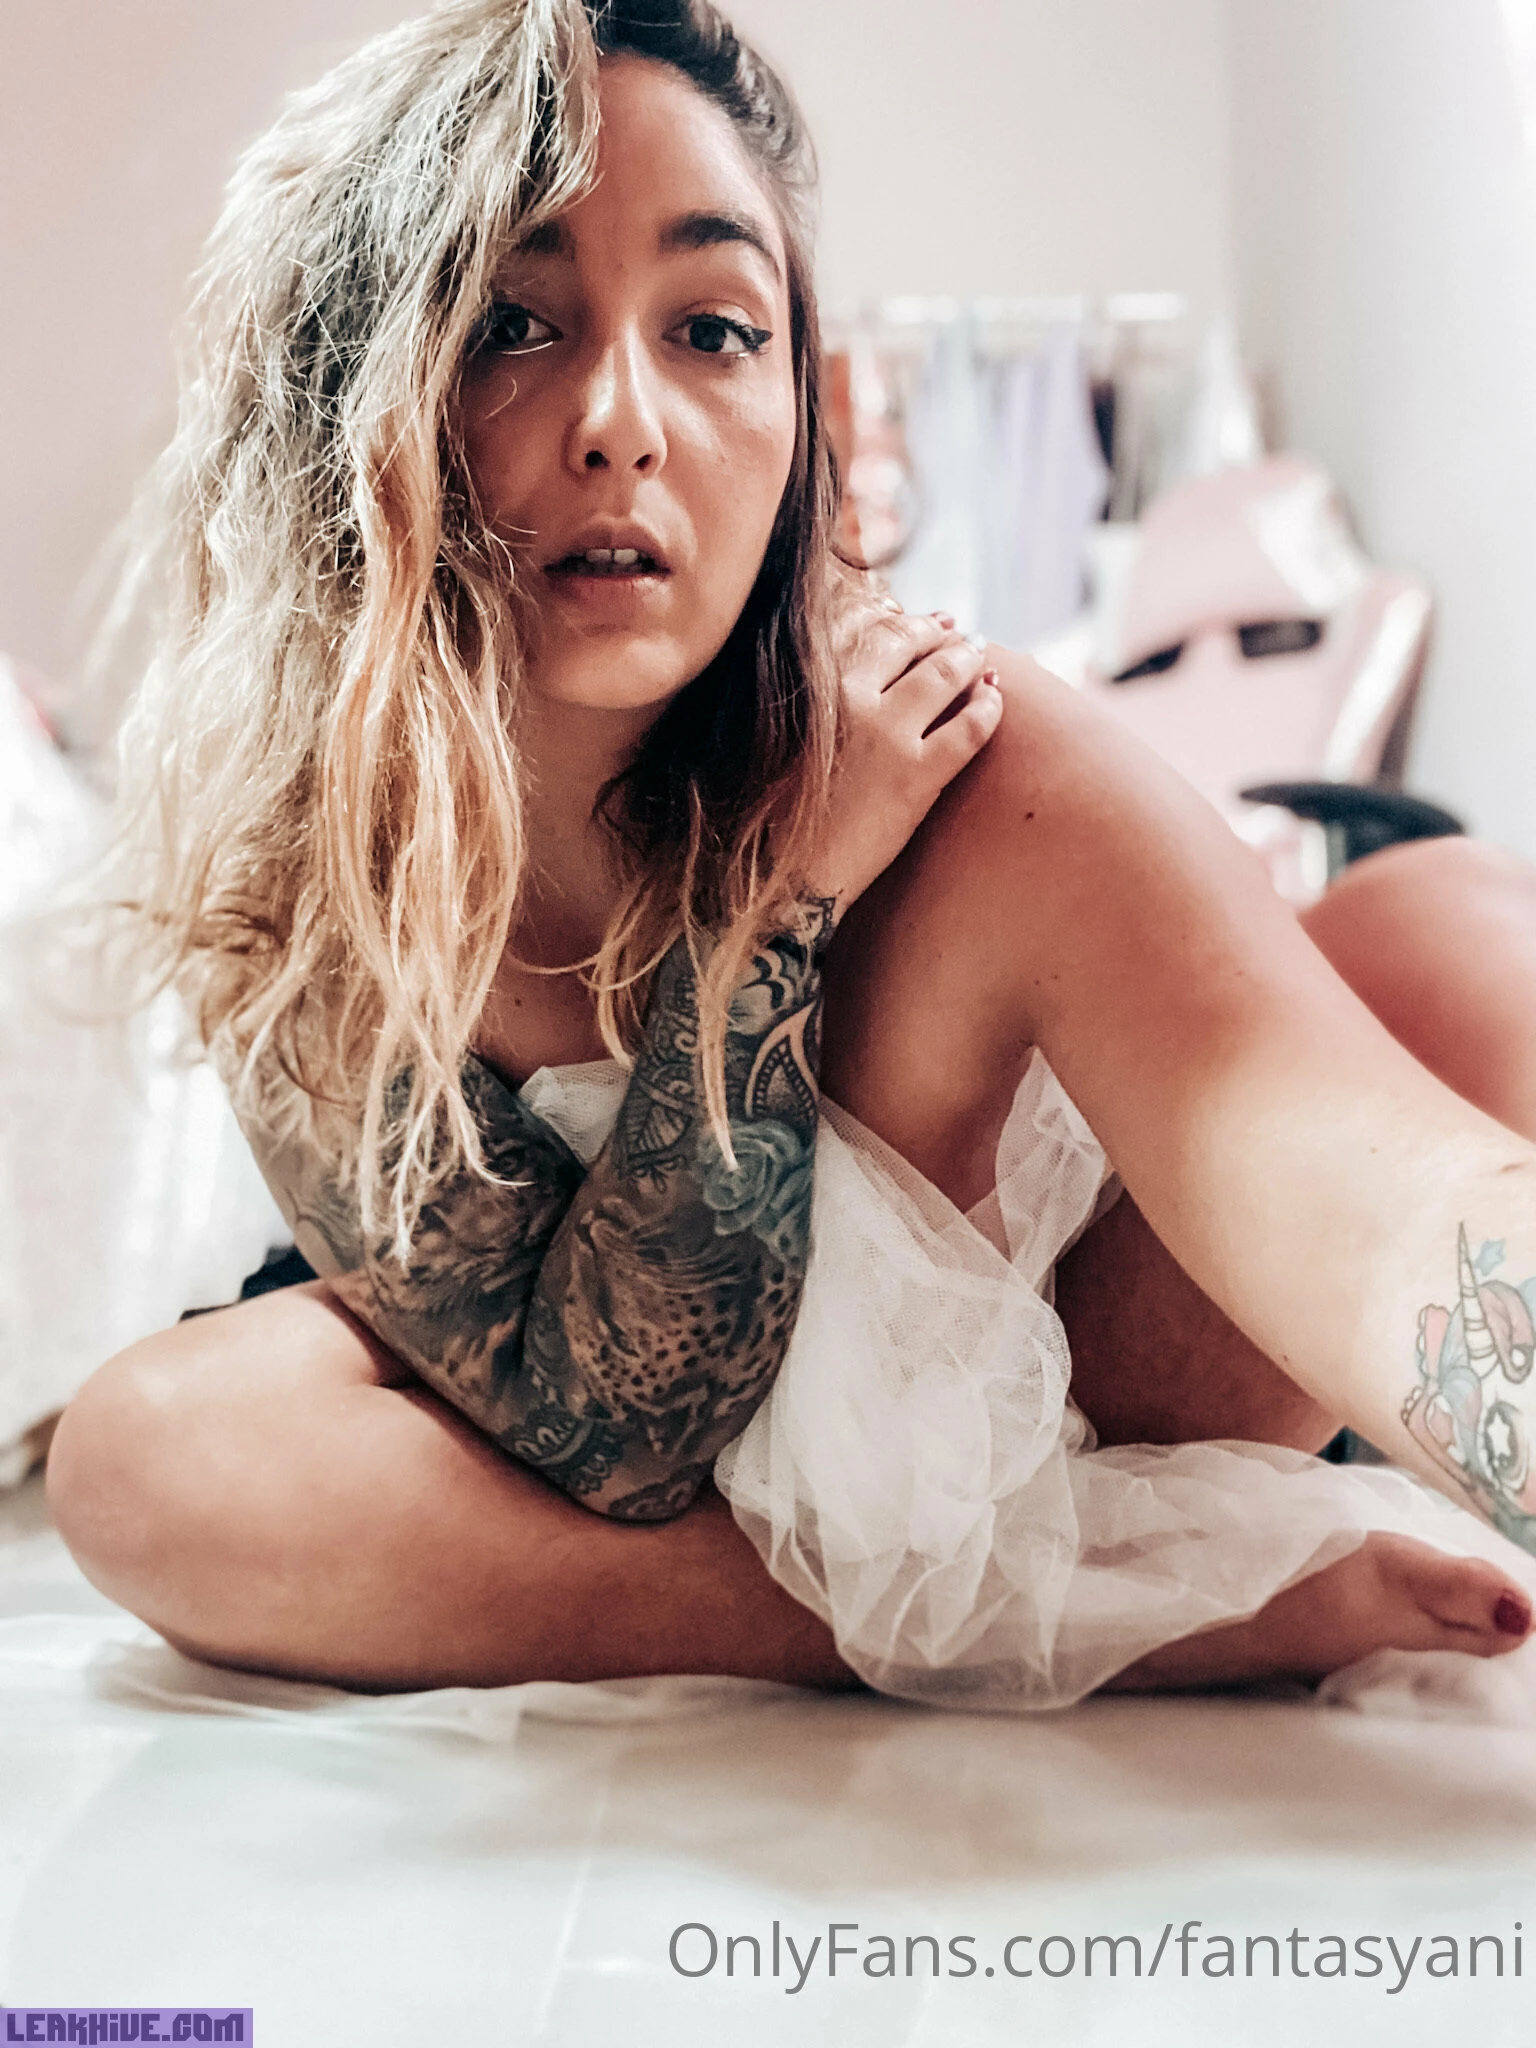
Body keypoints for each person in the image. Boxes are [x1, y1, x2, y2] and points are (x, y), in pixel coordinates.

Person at [43, 0, 1536, 1703]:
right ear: (353, 397)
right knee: (148, 1458)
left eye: (713, 329)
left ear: (798, 414)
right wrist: (768, 914)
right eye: (512, 322)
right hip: (619, 1459)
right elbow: (614, 1442)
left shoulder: (969, 751)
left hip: (1102, 1381)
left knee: (1465, 936)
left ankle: (1090, 1569)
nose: (622, 421)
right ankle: (1134, 1594)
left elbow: (1388, 1216)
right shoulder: (317, 889)